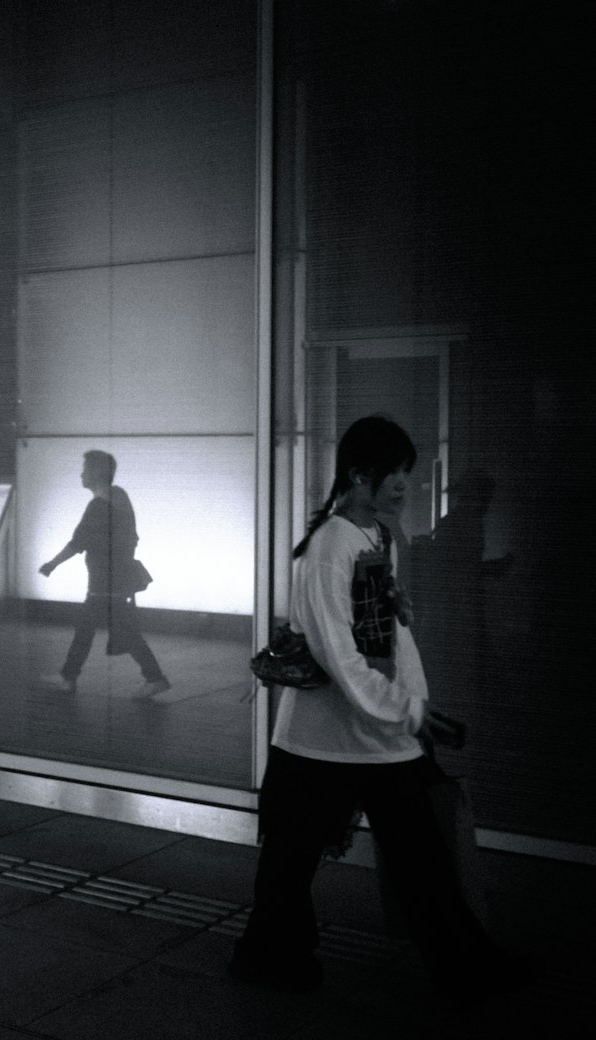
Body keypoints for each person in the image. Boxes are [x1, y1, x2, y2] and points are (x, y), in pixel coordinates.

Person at [230, 417, 532, 1003]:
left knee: (413, 859)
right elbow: (340, 657)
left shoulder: (374, 535)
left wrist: (409, 706)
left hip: (373, 734)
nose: (403, 485)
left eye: (405, 474)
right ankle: (271, 957)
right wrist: (410, 712)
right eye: (392, 474)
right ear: (358, 474)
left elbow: (380, 637)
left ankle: (465, 968)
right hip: (327, 737)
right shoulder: (329, 547)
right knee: (297, 861)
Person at [39, 450, 170, 698]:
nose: (81, 474)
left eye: (85, 469)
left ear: (97, 472)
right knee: (116, 631)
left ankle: (69, 678)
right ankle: (153, 677)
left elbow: (78, 542)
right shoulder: (119, 498)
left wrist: (52, 564)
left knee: (88, 630)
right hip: (117, 581)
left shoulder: (99, 506)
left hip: (103, 582)